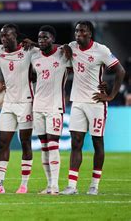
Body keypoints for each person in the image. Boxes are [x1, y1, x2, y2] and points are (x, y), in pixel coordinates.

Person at [61, 21, 125, 195]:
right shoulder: (71, 47)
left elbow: (120, 71)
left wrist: (111, 95)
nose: (78, 33)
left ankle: (94, 185)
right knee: (76, 143)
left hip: (96, 103)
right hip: (77, 103)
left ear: (90, 33)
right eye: (76, 31)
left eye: (82, 31)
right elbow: (49, 48)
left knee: (98, 143)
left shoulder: (101, 50)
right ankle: (72, 186)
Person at [0, 24, 37, 194]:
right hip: (8, 103)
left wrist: (34, 43)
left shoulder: (29, 51)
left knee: (25, 142)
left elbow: (49, 49)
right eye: (2, 36)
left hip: (26, 103)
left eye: (7, 36)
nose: (4, 39)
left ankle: (24, 185)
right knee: (3, 142)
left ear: (16, 37)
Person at [30, 26, 71, 195]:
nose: (42, 41)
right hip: (38, 106)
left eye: (45, 38)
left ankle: (55, 185)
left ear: (53, 39)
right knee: (44, 146)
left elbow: (80, 56)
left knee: (53, 145)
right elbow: (32, 76)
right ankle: (49, 185)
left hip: (55, 106)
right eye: (39, 38)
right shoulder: (35, 56)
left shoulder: (63, 54)